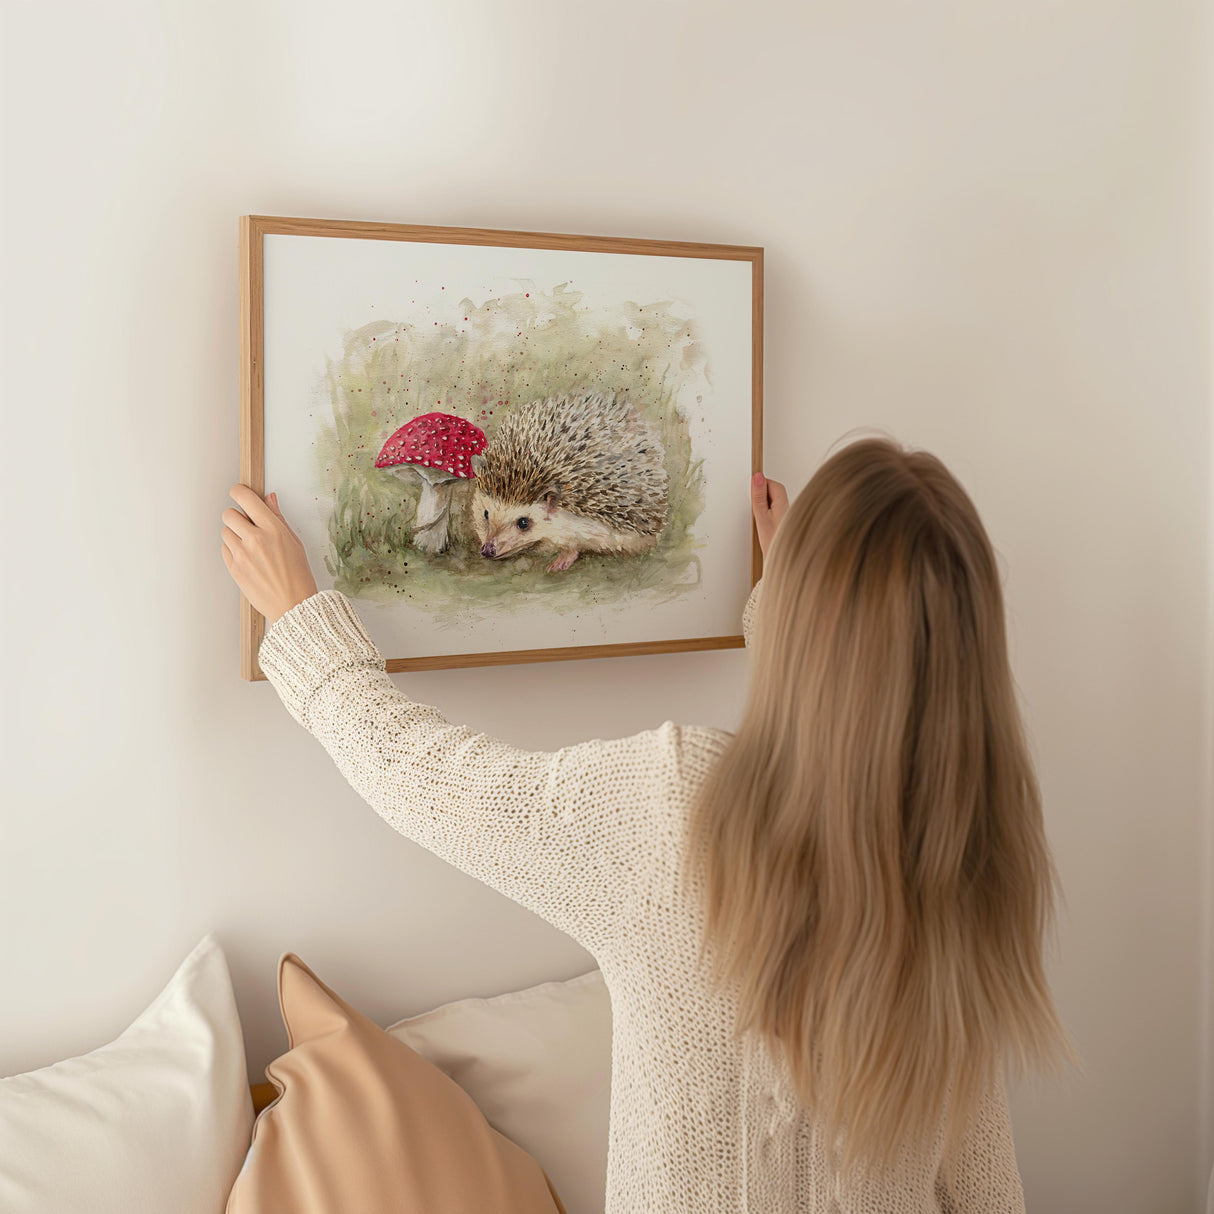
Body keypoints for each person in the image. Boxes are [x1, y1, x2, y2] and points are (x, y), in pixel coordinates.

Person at [220, 434, 1076, 1213]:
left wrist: (300, 617)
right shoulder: (974, 869)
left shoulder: (674, 811)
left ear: (811, 633)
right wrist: (797, 610)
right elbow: (984, 1190)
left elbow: (430, 779)